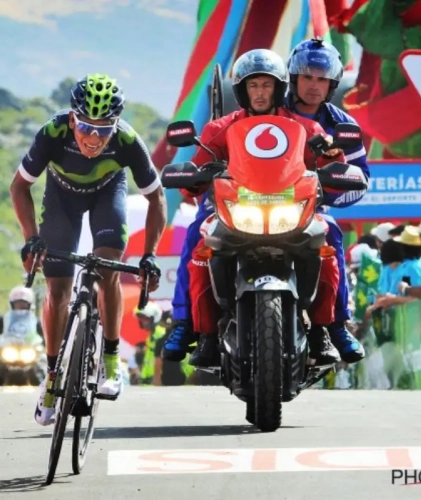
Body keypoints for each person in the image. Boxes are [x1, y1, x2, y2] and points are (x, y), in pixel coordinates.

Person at [163, 48, 344, 367]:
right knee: (197, 239)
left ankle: (322, 330)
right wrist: (192, 175)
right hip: (232, 209)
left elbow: (333, 168)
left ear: (279, 88)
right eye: (253, 85)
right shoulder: (218, 128)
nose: (260, 92)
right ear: (242, 90)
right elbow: (197, 169)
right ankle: (192, 328)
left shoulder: (306, 128)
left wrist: (331, 156)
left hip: (289, 210)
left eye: (266, 85)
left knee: (325, 242)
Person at [10, 74, 165, 426]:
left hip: (106, 196)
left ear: (115, 126)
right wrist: (31, 237)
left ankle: (111, 360)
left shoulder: (126, 140)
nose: (93, 138)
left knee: (108, 270)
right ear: (71, 120)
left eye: (103, 129)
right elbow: (19, 187)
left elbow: (156, 197)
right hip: (61, 199)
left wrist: (150, 255)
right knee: (58, 288)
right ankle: (51, 376)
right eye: (85, 127)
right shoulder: (52, 133)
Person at [286, 37, 369, 364]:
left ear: (332, 83)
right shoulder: (271, 110)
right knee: (203, 230)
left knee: (331, 233)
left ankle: (332, 327)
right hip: (253, 204)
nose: (314, 85)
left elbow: (360, 179)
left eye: (321, 79)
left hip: (307, 212)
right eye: (307, 77)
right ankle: (191, 325)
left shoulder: (345, 126)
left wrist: (331, 186)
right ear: (293, 78)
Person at [135, 302, 188, 386]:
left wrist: (157, 381)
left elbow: (160, 361)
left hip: (157, 381)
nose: (141, 322)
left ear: (154, 318)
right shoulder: (151, 336)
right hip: (147, 382)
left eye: (145, 318)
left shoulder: (160, 334)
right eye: (141, 319)